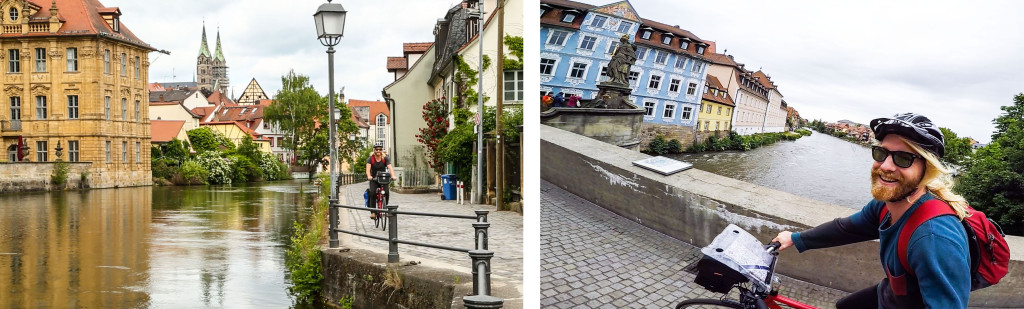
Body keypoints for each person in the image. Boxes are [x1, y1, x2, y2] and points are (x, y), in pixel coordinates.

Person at [772, 113, 970, 309]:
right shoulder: (886, 205)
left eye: (903, 158)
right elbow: (846, 228)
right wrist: (796, 238)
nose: (885, 166)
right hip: (893, 294)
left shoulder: (934, 238)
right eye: (881, 153)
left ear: (927, 169)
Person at [366, 141, 396, 219]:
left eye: (380, 149)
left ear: (381, 150)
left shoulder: (385, 158)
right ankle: (373, 212)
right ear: (374, 150)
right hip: (374, 179)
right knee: (372, 193)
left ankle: (385, 210)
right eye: (376, 149)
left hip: (383, 179)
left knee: (386, 192)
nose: (378, 151)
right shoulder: (371, 159)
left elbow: (390, 168)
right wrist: (369, 176)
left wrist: (393, 176)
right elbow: (368, 169)